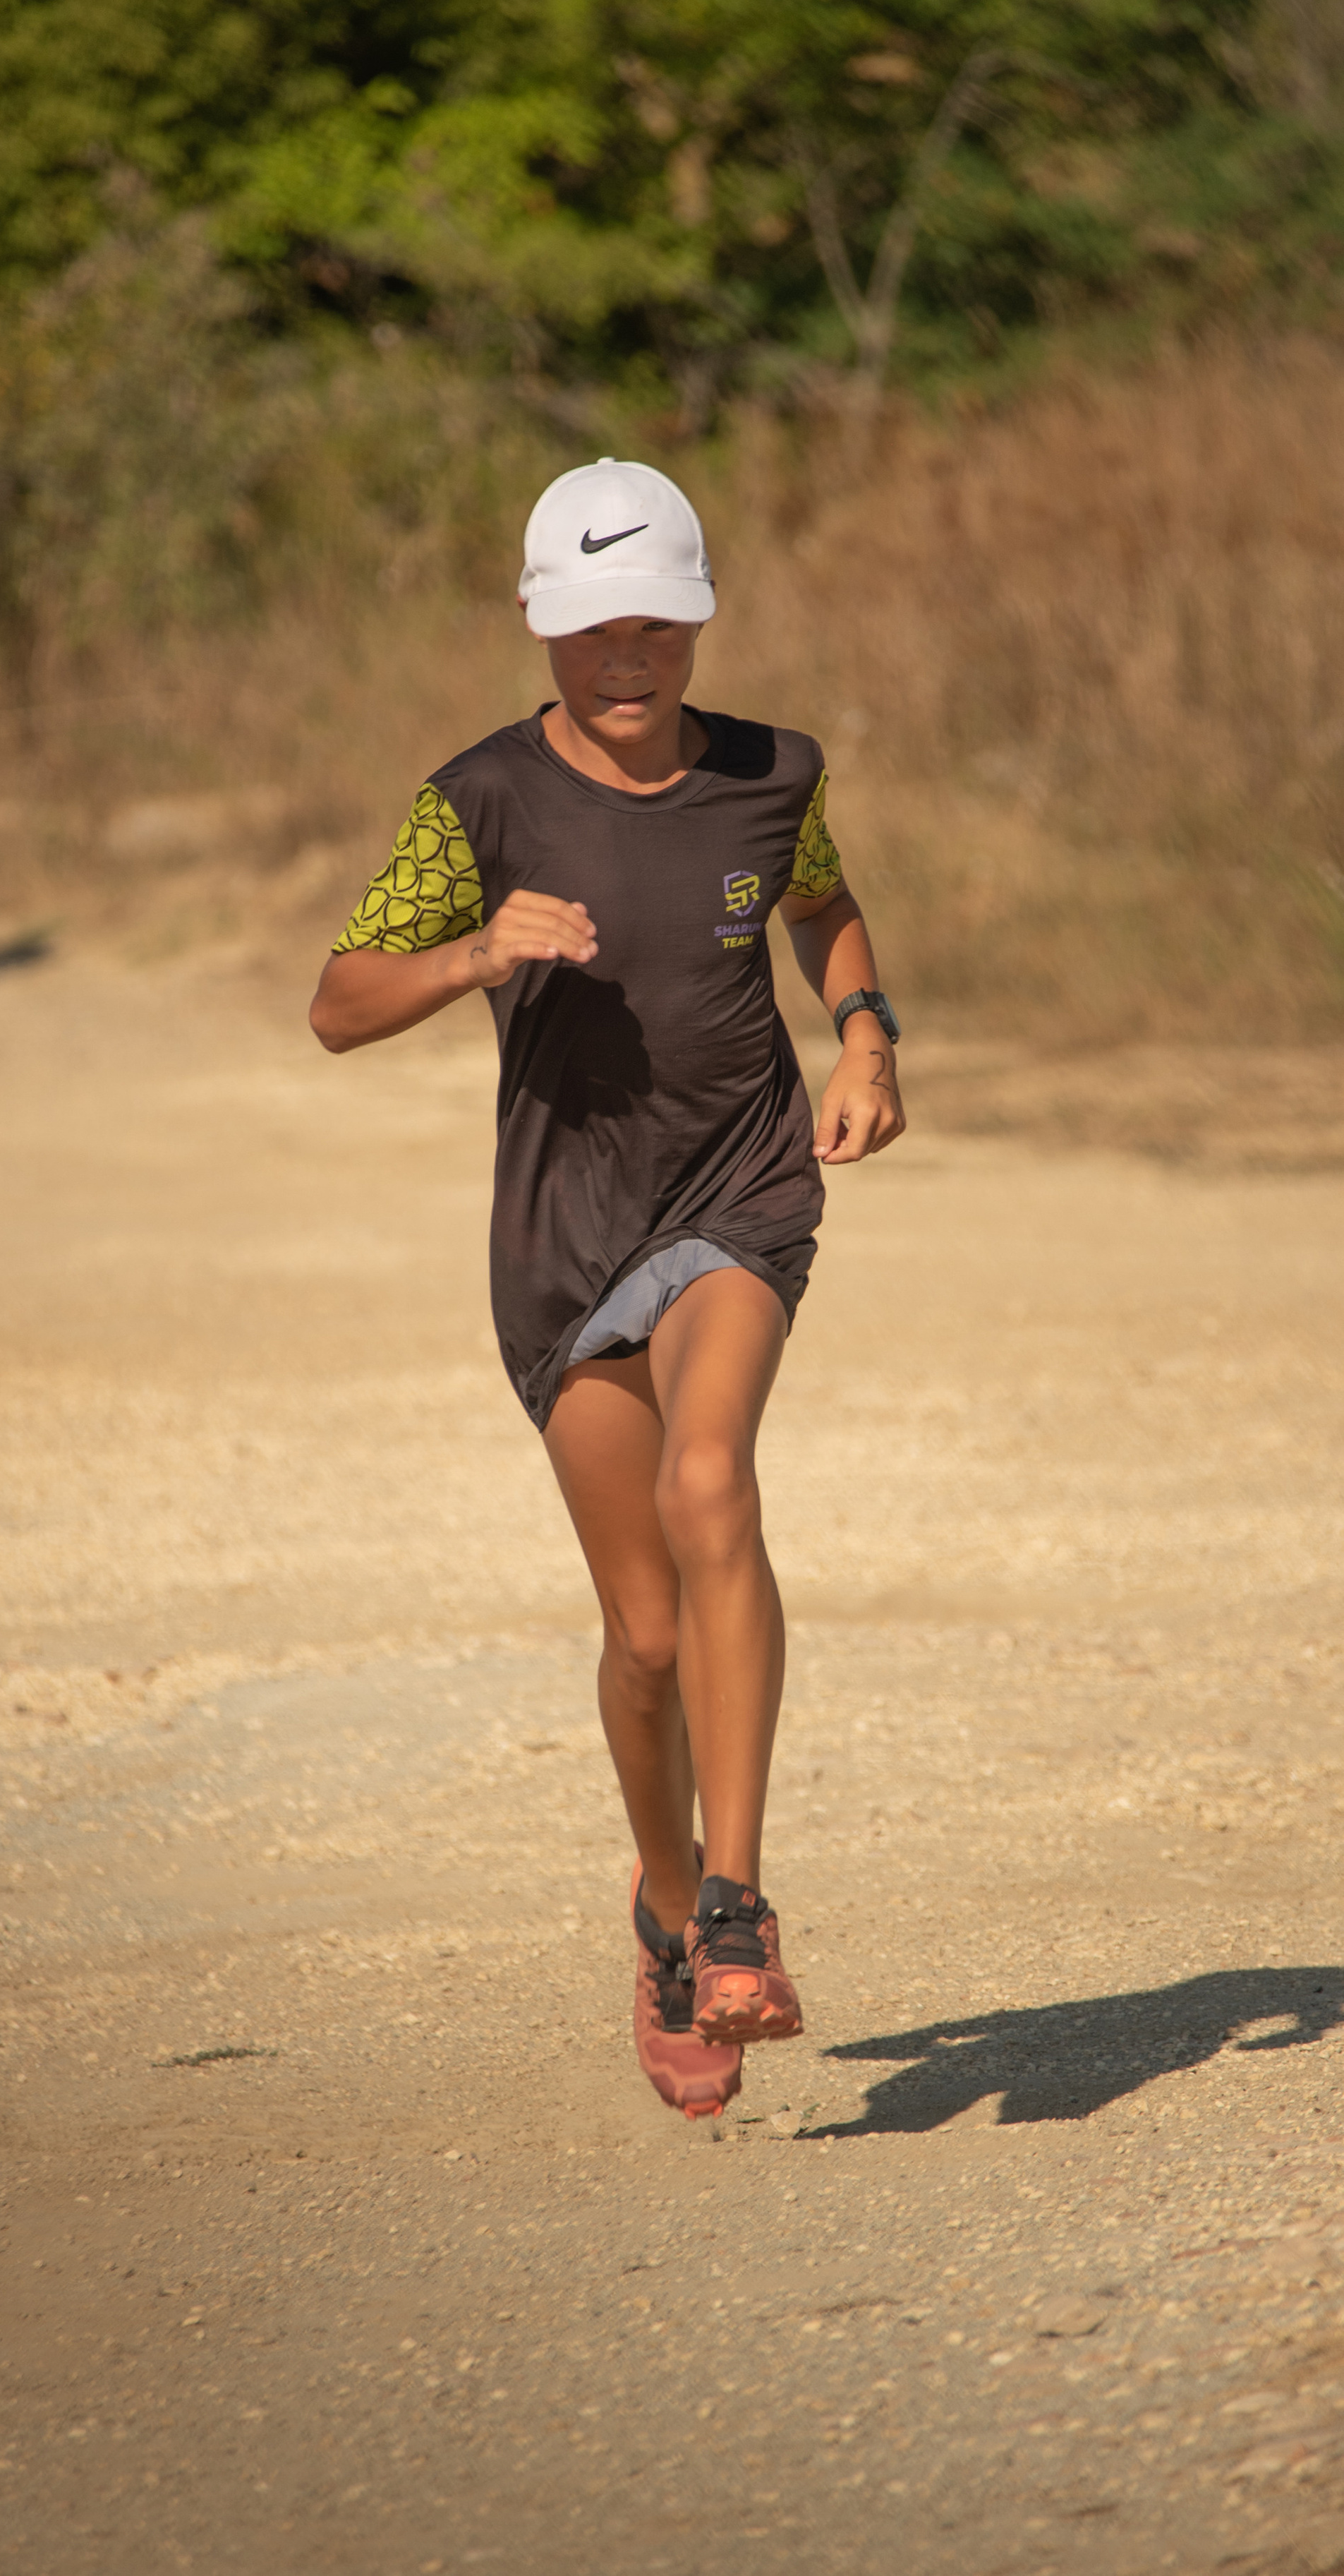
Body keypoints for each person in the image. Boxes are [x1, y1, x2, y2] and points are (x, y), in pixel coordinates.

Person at [309, 459, 904, 2124]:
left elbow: (822, 903)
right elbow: (338, 1004)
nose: (622, 655)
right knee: (640, 1634)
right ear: (535, 626)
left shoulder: (770, 776)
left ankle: (735, 1905)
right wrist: (471, 954)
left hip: (738, 1189)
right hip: (561, 1238)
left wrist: (863, 1038)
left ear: (697, 617)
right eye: (587, 627)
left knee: (712, 1477)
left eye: (652, 620)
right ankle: (658, 1905)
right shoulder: (478, 803)